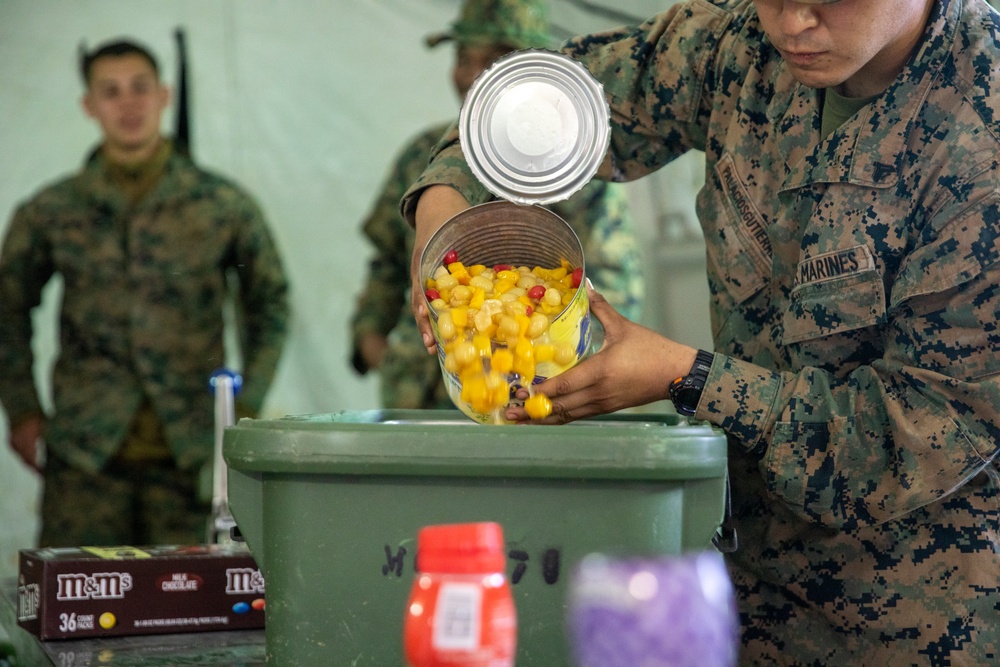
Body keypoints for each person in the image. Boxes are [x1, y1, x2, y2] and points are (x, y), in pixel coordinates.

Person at [402, 0, 1000, 663]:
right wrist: (445, 211)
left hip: (910, 621)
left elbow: (920, 433)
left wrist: (683, 375)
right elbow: (534, 99)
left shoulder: (982, 134)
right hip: (736, 590)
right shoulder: (736, 43)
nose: (791, 25)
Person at [0, 39, 289, 547]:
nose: (128, 104)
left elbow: (270, 301)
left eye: (140, 88)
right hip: (87, 458)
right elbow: (6, 306)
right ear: (89, 106)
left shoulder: (221, 205)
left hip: (194, 457)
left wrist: (247, 403)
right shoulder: (52, 209)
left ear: (164, 95)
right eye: (110, 92)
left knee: (194, 610)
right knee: (77, 604)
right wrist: (21, 408)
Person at [349, 0, 644, 410]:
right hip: (420, 399)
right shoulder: (424, 154)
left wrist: (552, 377)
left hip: (532, 404)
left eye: (492, 59)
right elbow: (385, 259)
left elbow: (611, 293)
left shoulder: (574, 170)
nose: (472, 75)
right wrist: (370, 339)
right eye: (463, 57)